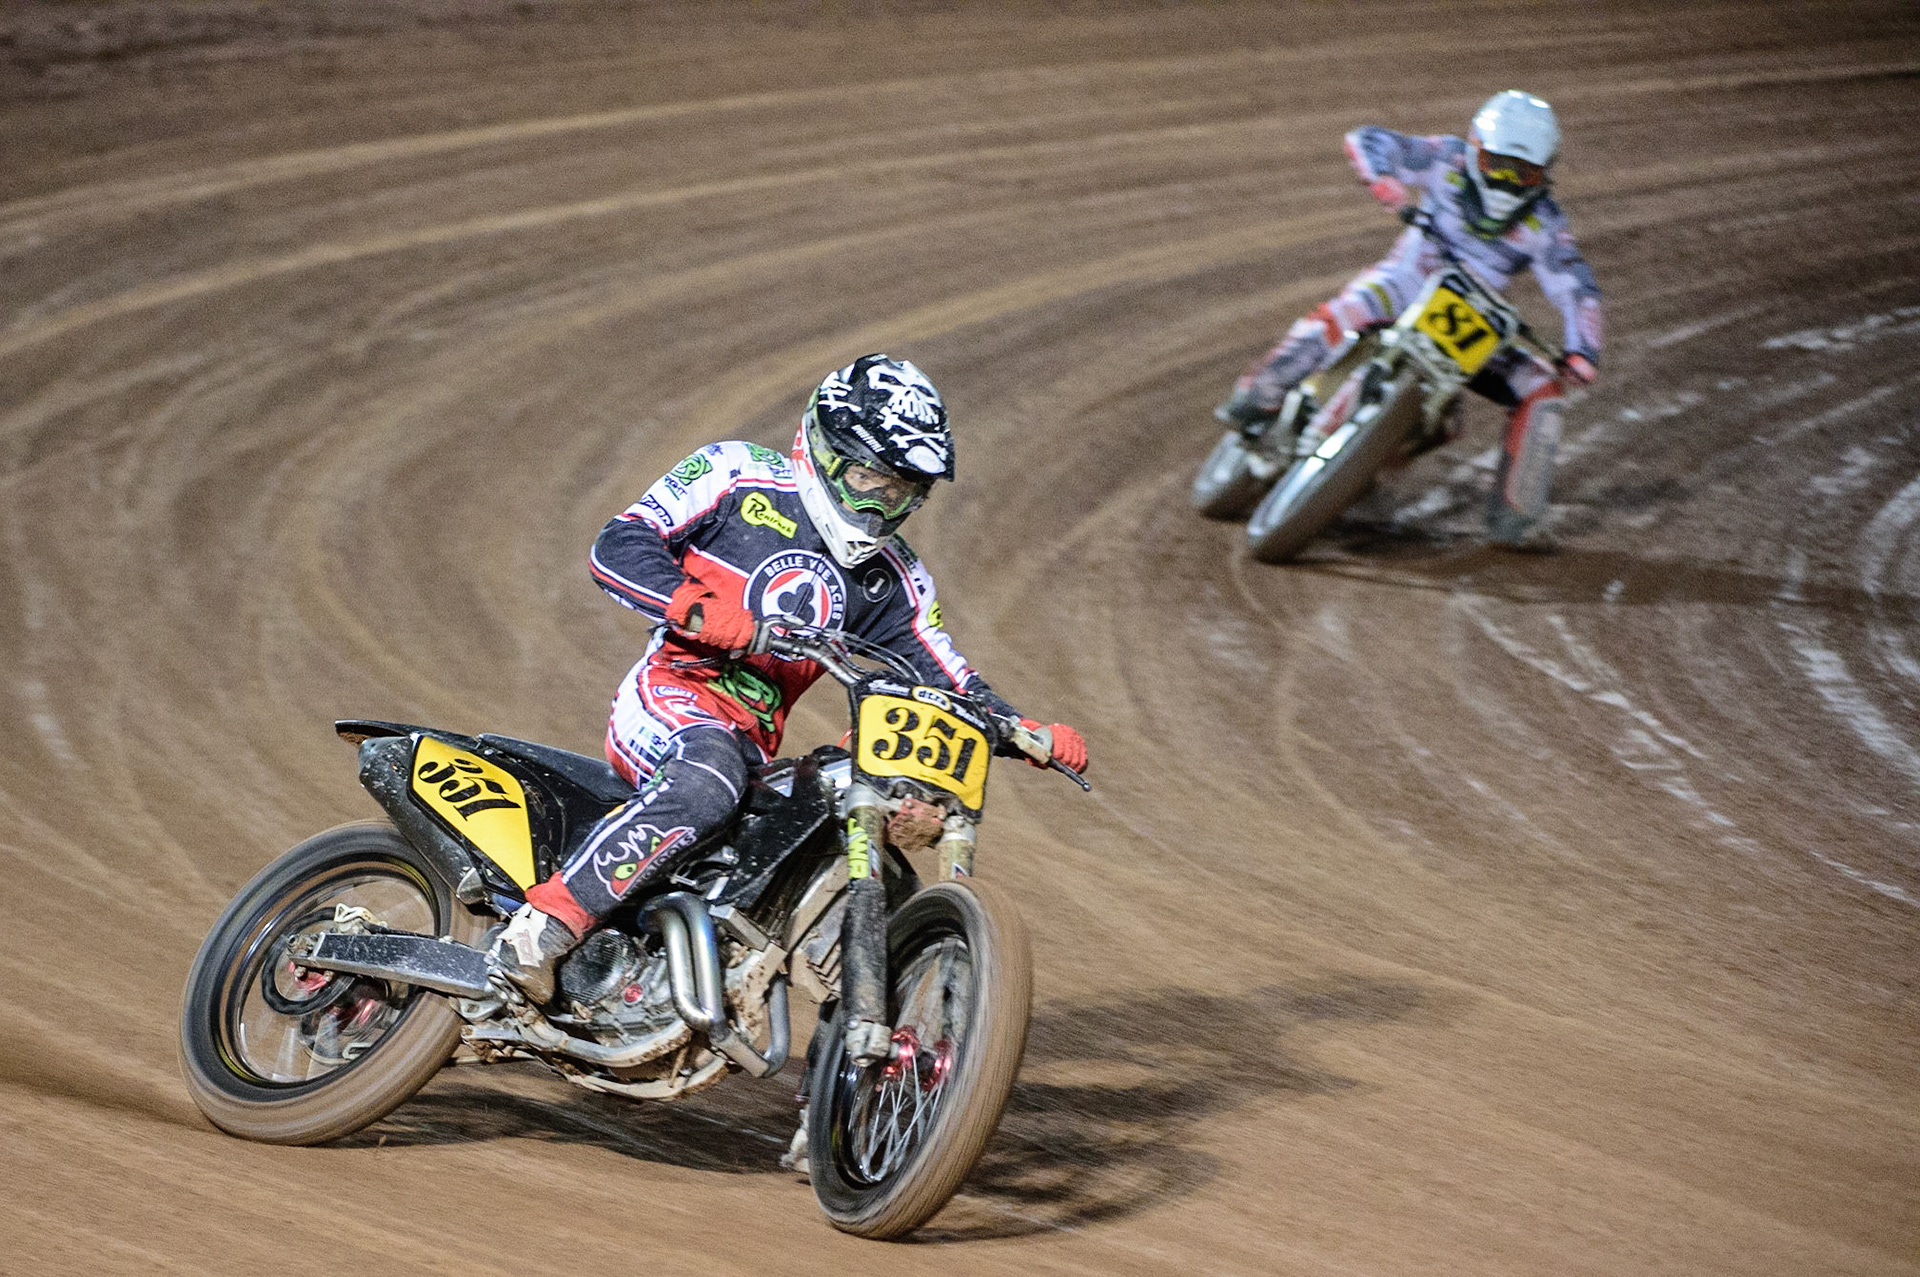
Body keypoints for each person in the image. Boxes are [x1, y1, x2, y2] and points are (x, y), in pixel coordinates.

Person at [489, 354, 1089, 1002]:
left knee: (841, 824)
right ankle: (544, 925)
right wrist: (701, 611)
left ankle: (852, 1063)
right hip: (671, 697)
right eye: (867, 478)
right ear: (824, 449)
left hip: (754, 748)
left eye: (900, 492)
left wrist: (1019, 727)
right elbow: (619, 544)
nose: (877, 505)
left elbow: (942, 669)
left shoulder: (894, 581)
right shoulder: (732, 475)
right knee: (708, 777)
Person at [1217, 90, 1604, 550]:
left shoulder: (1545, 225)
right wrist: (1381, 179)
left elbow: (1576, 287)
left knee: (1539, 388)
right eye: (1498, 164)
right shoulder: (1445, 158)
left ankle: (1515, 519)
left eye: (1525, 173)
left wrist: (1583, 350)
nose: (1507, 182)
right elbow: (1369, 140)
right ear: (1476, 147)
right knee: (1343, 314)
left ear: (1545, 173)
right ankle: (1260, 397)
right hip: (1401, 287)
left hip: (1471, 321)